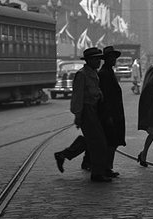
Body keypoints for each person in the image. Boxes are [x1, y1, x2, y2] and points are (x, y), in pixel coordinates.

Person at [53, 46, 125, 177]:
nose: (99, 61)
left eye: (99, 59)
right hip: (87, 111)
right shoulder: (82, 74)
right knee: (99, 143)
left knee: (93, 140)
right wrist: (78, 115)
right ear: (88, 60)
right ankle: (97, 173)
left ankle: (64, 155)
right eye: (96, 59)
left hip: (95, 110)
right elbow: (77, 97)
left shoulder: (93, 73)